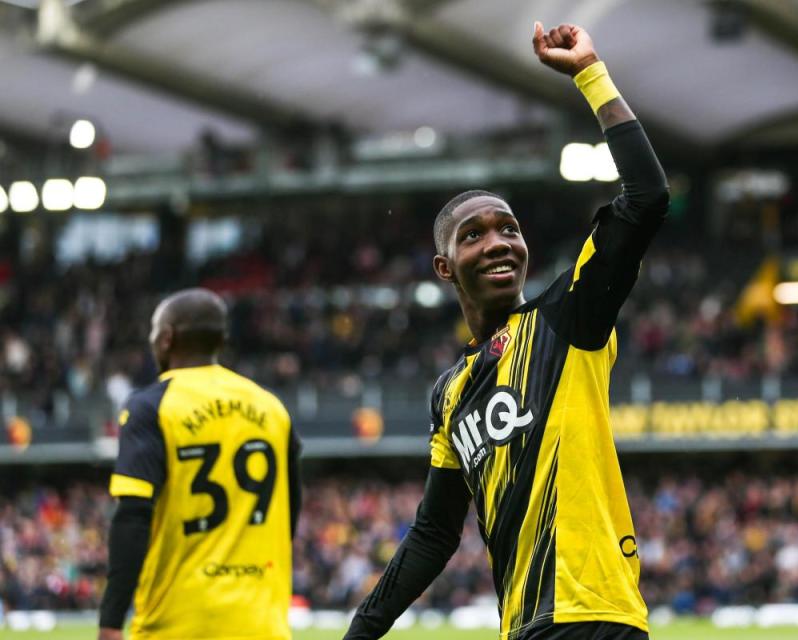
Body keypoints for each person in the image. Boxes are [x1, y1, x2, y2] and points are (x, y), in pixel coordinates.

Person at [344, 21, 669, 640]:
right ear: (445, 268)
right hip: (523, 625)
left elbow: (647, 196)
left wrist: (590, 76)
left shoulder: (567, 317)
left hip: (591, 614)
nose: (498, 243)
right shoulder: (451, 393)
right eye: (475, 235)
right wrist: (363, 629)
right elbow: (435, 533)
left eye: (509, 230)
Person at [98, 288, 302, 640]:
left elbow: (132, 515)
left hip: (178, 622)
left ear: (166, 339)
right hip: (262, 624)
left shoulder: (150, 406)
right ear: (220, 339)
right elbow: (291, 508)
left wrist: (111, 619)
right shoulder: (271, 407)